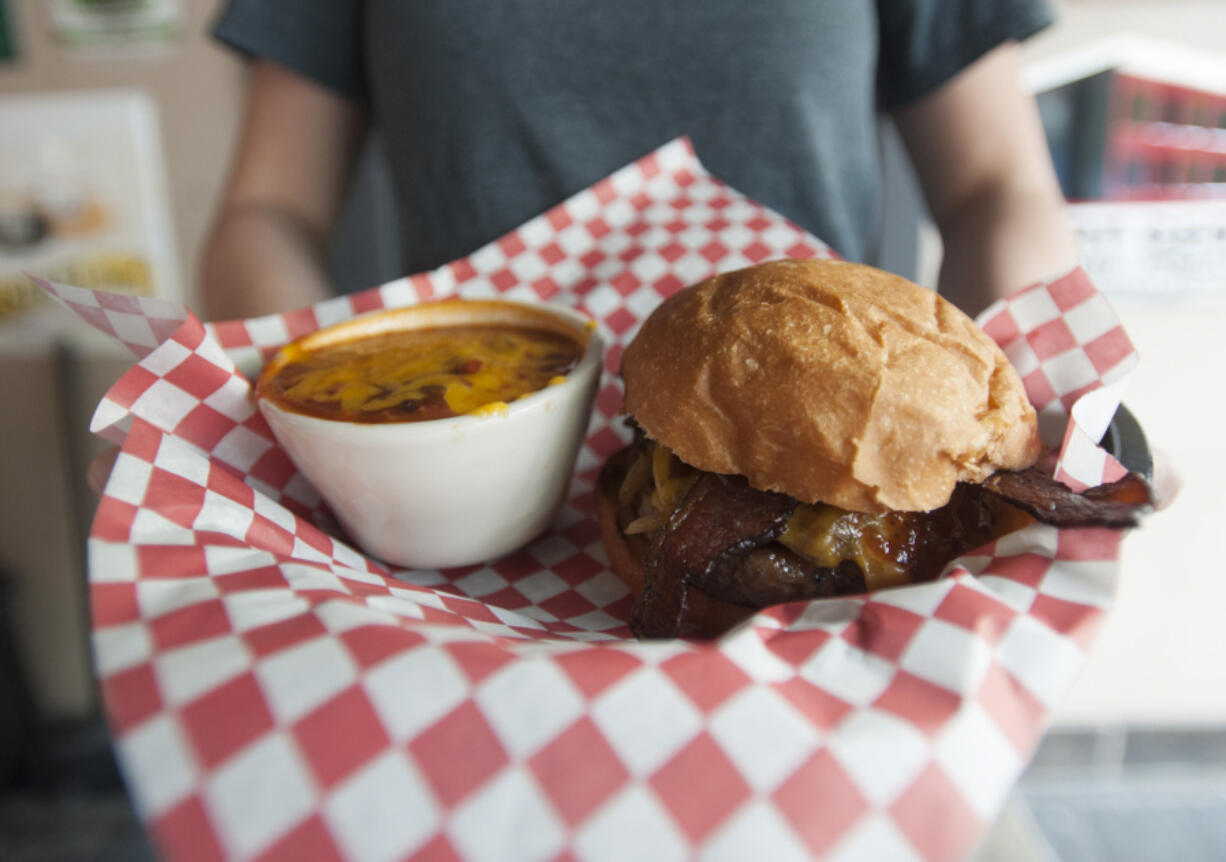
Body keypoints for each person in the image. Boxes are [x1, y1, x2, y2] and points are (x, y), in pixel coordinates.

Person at [201, 0, 1077, 322]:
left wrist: (1020, 394)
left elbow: (998, 188)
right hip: (457, 479)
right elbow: (268, 209)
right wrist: (284, 411)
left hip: (817, 466)